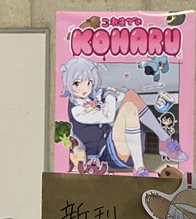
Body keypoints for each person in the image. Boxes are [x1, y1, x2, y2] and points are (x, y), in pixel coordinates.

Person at [60, 57, 188, 176]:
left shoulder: (93, 95)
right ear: (67, 84)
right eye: (77, 83)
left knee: (131, 95)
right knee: (129, 108)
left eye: (89, 82)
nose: (85, 88)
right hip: (107, 155)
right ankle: (139, 167)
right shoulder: (76, 110)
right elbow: (108, 117)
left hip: (119, 143)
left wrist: (111, 96)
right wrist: (110, 95)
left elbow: (122, 97)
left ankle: (164, 140)